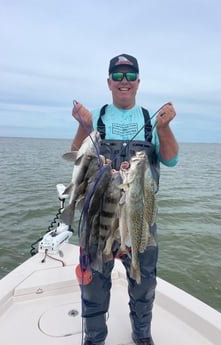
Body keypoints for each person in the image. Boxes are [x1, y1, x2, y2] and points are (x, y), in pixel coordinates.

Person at [71, 54, 179, 345]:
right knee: (94, 283)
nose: (124, 81)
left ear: (138, 82)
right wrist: (84, 124)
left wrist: (164, 128)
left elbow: (170, 160)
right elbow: (78, 156)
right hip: (99, 217)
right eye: (117, 76)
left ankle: (142, 334)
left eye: (130, 76)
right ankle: (94, 339)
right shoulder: (97, 116)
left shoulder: (151, 120)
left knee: (143, 282)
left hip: (139, 216)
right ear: (109, 81)